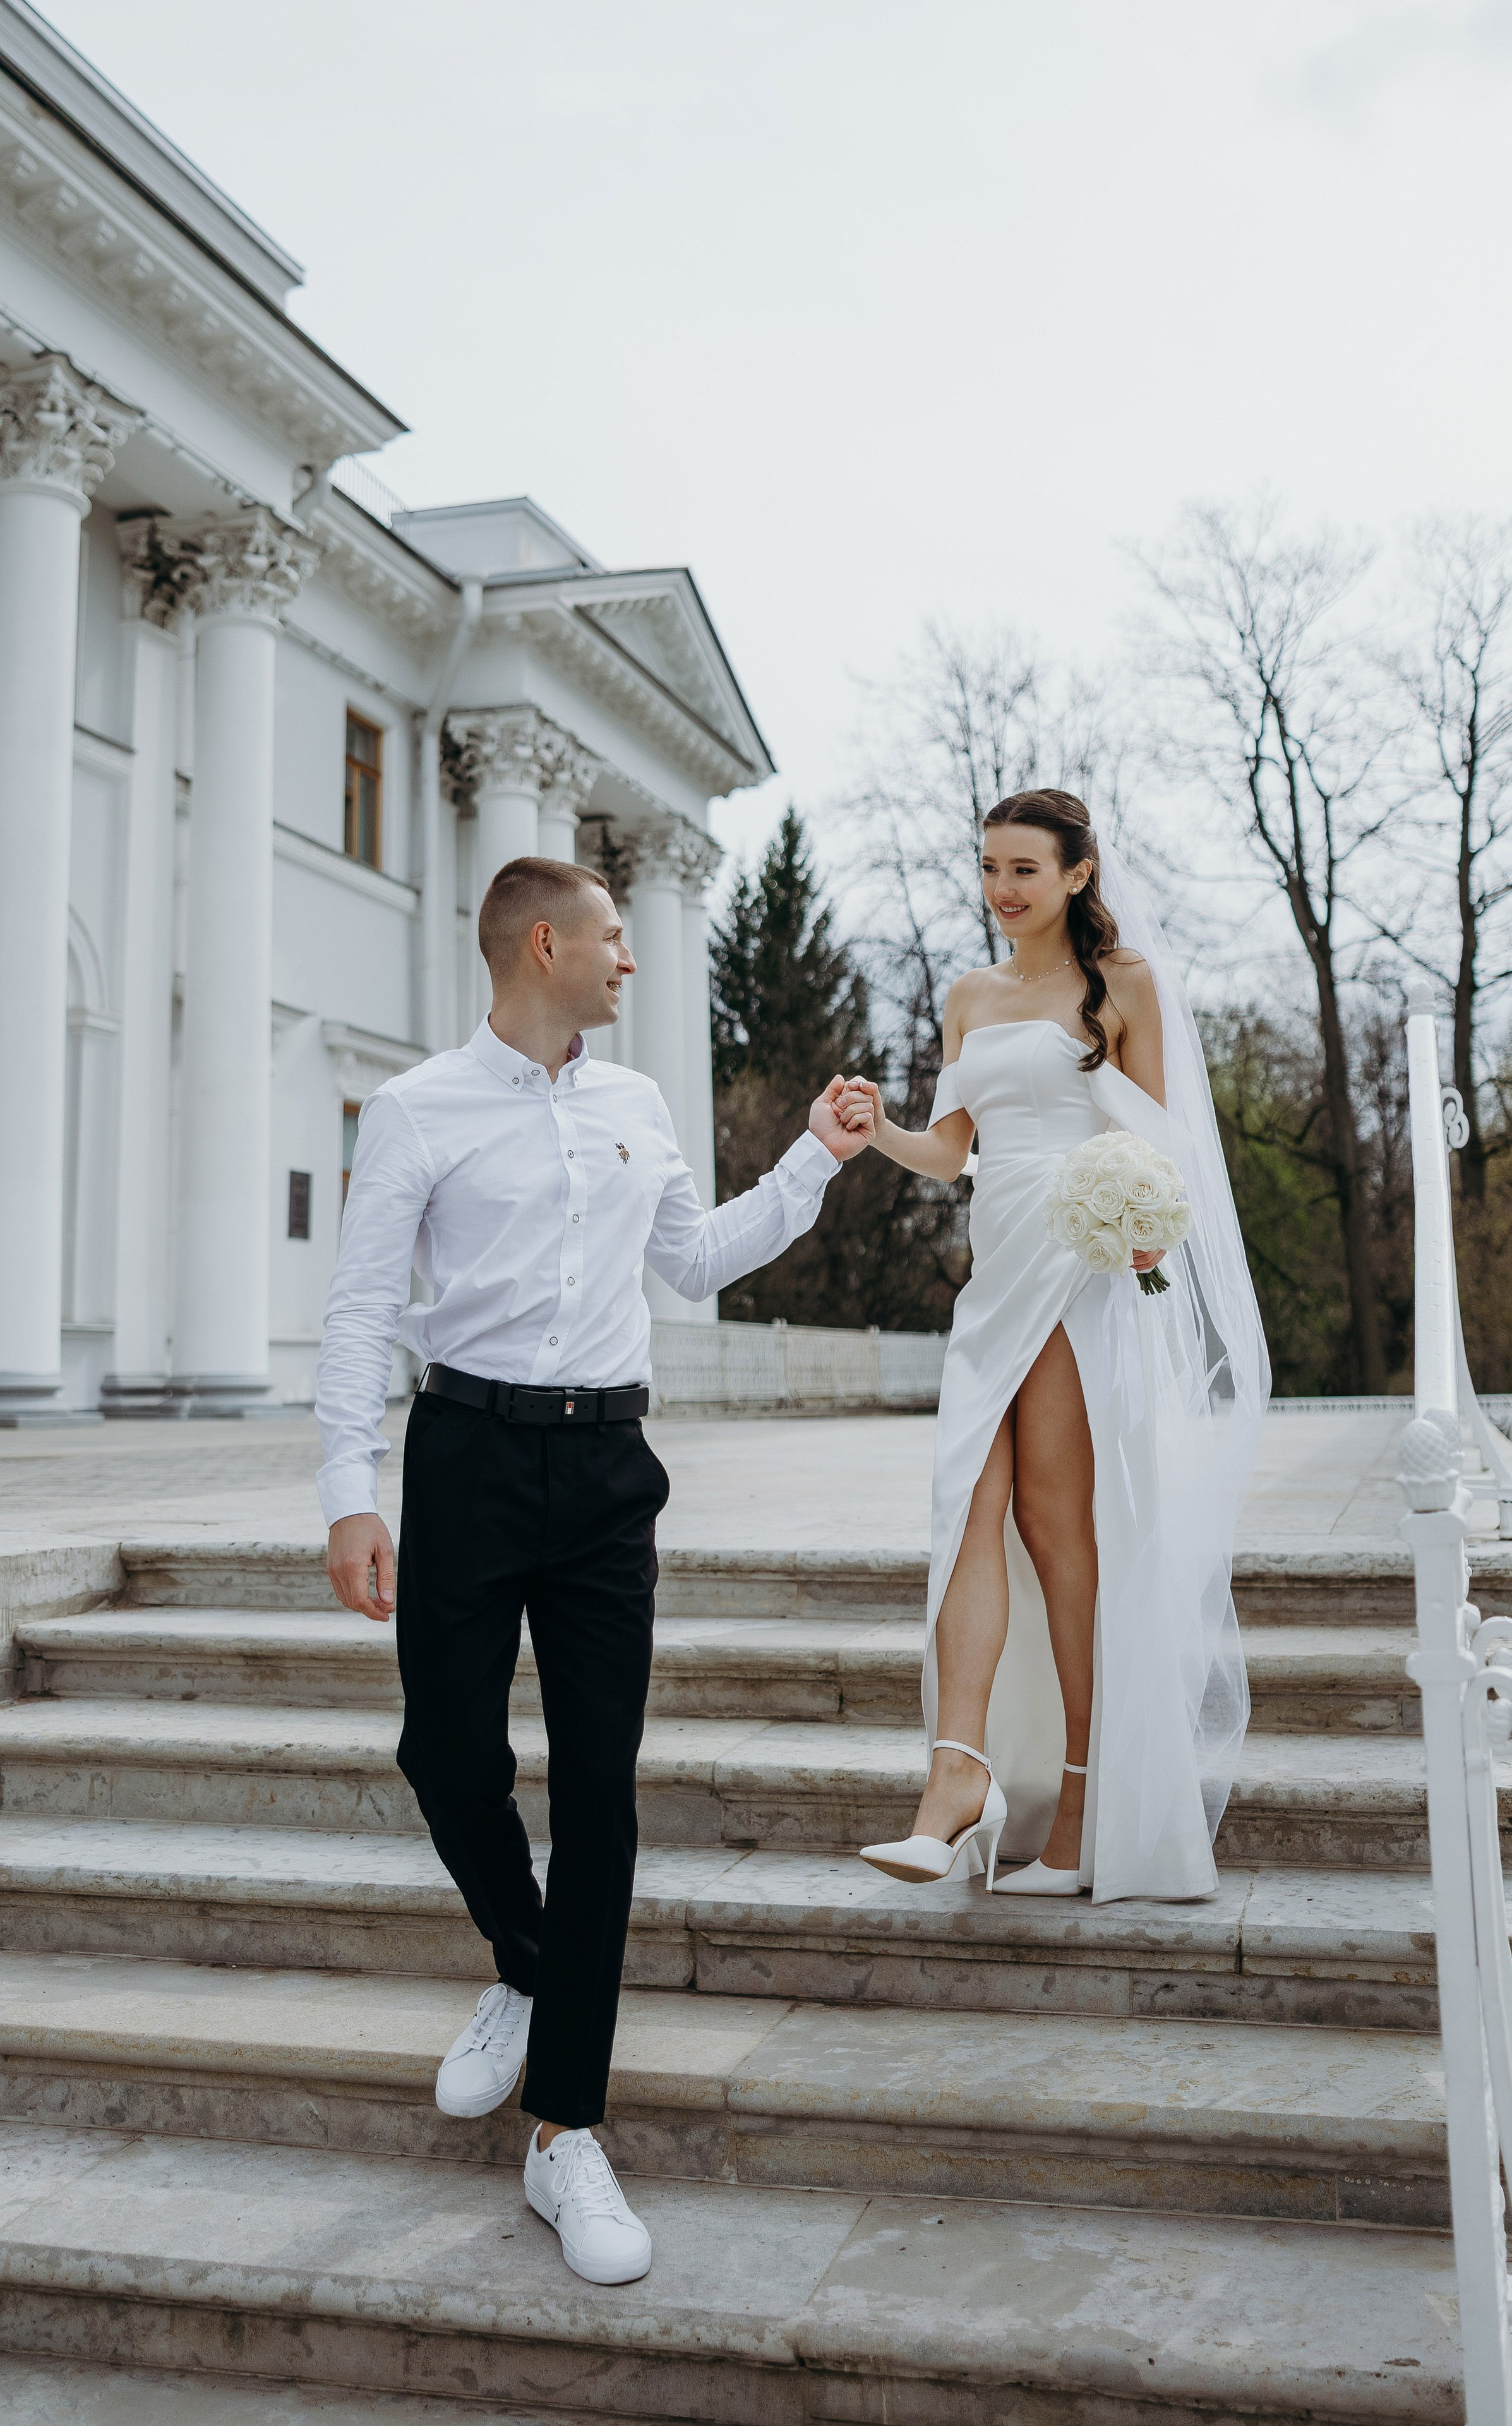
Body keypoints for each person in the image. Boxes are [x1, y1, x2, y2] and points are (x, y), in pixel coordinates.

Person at [316, 854, 867, 2287]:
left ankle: (565, 2127)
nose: (631, 958)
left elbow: (696, 1261)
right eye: (613, 937)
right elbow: (362, 1308)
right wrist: (347, 1496)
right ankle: (526, 1957)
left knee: (601, 1794)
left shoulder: (637, 1103)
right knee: (446, 1754)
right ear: (544, 945)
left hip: (610, 1468)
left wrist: (812, 1156)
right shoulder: (418, 1108)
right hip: (465, 1454)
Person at [837, 790, 1268, 1902]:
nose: (1002, 889)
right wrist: (878, 1129)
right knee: (964, 1509)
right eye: (989, 867)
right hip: (997, 1279)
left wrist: (1133, 1220)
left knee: (1052, 1523)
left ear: (1078, 873)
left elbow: (1165, 1142)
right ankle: (957, 1775)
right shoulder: (969, 995)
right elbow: (954, 1150)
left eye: (1023, 868)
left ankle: (1080, 1805)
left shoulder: (1123, 984)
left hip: (1080, 1275)